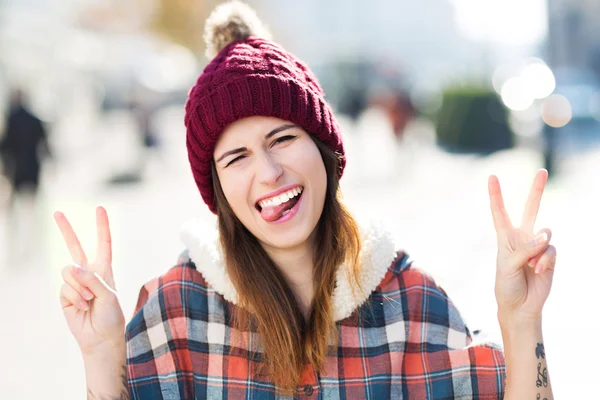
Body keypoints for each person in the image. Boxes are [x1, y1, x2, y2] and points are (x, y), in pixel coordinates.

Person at [54, 2, 556, 399]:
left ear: (325, 149)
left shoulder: (411, 303)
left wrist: (522, 320)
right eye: (236, 158)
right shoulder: (176, 311)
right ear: (218, 189)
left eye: (282, 140)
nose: (268, 174)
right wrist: (101, 353)